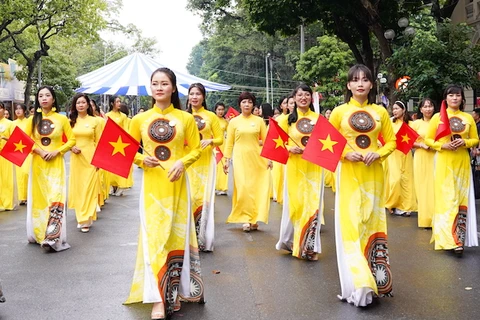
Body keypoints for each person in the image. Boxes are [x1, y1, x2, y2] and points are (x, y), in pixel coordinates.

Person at [125, 68, 204, 319]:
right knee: (155, 238)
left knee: (176, 237)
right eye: (155, 83)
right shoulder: (139, 119)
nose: (159, 87)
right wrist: (141, 160)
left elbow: (196, 149)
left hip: (178, 185)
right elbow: (124, 150)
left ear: (173, 88)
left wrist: (183, 163)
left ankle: (176, 292)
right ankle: (159, 298)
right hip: (152, 188)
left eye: (164, 84)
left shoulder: (185, 118)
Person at [329, 64, 396, 307]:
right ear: (348, 85)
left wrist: (378, 154)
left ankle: (373, 280)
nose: (360, 83)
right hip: (348, 175)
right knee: (351, 226)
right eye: (355, 80)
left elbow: (391, 142)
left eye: (365, 79)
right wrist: (346, 154)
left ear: (371, 85)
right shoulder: (338, 112)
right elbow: (326, 143)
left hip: (374, 176)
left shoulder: (380, 112)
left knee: (371, 223)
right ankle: (359, 284)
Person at [425, 84, 479, 255]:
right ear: (445, 98)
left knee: (461, 199)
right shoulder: (438, 117)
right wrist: (443, 145)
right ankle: (448, 239)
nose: (454, 98)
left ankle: (459, 239)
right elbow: (428, 140)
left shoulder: (468, 118)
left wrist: (465, 142)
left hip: (462, 162)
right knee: (447, 200)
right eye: (451, 95)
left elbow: (475, 140)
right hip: (444, 162)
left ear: (462, 99)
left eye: (458, 95)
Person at [276, 84, 324, 260]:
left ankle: (309, 247)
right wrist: (289, 148)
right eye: (300, 95)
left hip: (314, 168)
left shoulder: (319, 119)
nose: (303, 98)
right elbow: (275, 143)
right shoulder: (286, 120)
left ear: (311, 98)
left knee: (312, 205)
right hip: (295, 167)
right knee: (295, 205)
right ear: (294, 99)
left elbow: (326, 143)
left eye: (306, 95)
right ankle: (292, 241)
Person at [24, 86, 75, 251]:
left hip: (56, 165)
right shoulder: (32, 120)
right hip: (38, 165)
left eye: (47, 95)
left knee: (55, 198)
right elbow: (25, 140)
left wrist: (57, 151)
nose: (44, 98)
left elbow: (72, 140)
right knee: (40, 199)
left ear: (53, 99)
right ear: (37, 100)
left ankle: (53, 236)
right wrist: (39, 151)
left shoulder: (62, 120)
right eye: (40, 96)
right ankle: (40, 233)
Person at [223, 92, 272, 232]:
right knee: (243, 188)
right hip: (239, 159)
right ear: (240, 104)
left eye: (250, 102)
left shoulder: (259, 121)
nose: (247, 104)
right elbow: (229, 143)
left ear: (253, 105)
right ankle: (246, 218)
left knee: (255, 189)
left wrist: (269, 159)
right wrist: (226, 160)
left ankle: (254, 219)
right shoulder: (233, 122)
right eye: (244, 102)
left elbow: (267, 141)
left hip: (257, 159)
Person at [185, 83, 223, 251]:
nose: (195, 97)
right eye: (192, 94)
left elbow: (221, 138)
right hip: (187, 163)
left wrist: (211, 140)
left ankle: (202, 240)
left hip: (206, 163)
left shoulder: (211, 116)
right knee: (188, 198)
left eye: (198, 94)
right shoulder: (182, 116)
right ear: (188, 96)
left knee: (204, 199)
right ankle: (186, 240)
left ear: (203, 97)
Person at [68, 93, 102, 233]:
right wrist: (71, 147)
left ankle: (86, 218)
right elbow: (66, 139)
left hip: (90, 157)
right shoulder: (70, 121)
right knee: (78, 188)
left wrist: (99, 160)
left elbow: (100, 142)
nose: (80, 105)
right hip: (76, 158)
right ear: (74, 106)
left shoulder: (96, 121)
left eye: (83, 102)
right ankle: (80, 216)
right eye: (78, 103)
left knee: (89, 188)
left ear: (88, 105)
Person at [384, 101, 417, 216]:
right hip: (393, 154)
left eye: (397, 108)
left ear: (403, 110)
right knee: (396, 180)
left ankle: (405, 207)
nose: (395, 111)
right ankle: (391, 203)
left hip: (406, 154)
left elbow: (415, 140)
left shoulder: (411, 124)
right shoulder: (390, 123)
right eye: (393, 109)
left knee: (406, 180)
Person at [411, 98, 437, 228]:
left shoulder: (439, 122)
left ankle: (436, 218)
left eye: (430, 106)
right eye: (425, 106)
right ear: (420, 109)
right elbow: (407, 141)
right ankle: (425, 219)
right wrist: (421, 145)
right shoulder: (416, 124)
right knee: (422, 186)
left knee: (435, 186)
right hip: (421, 157)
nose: (428, 109)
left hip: (436, 156)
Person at [105, 96, 129, 196]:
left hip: (121, 144)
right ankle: (110, 186)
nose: (119, 103)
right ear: (112, 103)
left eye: (120, 101)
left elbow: (126, 130)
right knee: (110, 166)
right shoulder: (107, 116)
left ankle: (120, 186)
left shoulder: (123, 116)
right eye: (117, 102)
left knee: (120, 166)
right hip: (110, 143)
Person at [271, 96, 289, 204]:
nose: (287, 105)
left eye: (290, 102)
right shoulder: (278, 120)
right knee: (278, 174)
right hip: (280, 149)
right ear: (281, 106)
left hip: (292, 151)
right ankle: (278, 194)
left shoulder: (295, 119)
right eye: (285, 103)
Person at [0, 102, 17, 211]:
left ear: (3, 109)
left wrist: (4, 138)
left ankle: (7, 203)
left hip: (6, 154)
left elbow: (16, 140)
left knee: (7, 179)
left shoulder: (10, 124)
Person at [12, 103, 30, 205]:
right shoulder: (13, 123)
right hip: (17, 151)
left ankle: (27, 196)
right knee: (18, 175)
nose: (18, 111)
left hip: (28, 151)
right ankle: (20, 196)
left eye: (20, 109)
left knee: (26, 173)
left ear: (24, 111)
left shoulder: (29, 122)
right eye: (16, 109)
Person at [214, 102, 229, 195]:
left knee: (223, 165)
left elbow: (230, 132)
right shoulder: (212, 119)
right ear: (215, 110)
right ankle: (215, 186)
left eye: (222, 110)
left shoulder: (225, 121)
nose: (221, 111)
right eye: (219, 109)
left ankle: (223, 188)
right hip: (214, 144)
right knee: (215, 165)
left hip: (223, 145)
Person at [323, 108, 336, 191]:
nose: (328, 114)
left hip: (333, 145)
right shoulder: (323, 123)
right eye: (327, 113)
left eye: (330, 113)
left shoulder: (335, 123)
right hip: (325, 145)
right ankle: (327, 181)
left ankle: (334, 184)